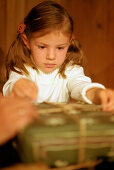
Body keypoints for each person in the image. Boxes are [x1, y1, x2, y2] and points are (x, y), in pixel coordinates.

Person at [2, 0, 114, 112]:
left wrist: (99, 94)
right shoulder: (23, 69)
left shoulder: (70, 70)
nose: (51, 56)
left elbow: (81, 86)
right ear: (27, 41)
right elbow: (10, 86)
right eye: (42, 47)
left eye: (60, 48)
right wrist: (17, 86)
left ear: (69, 43)